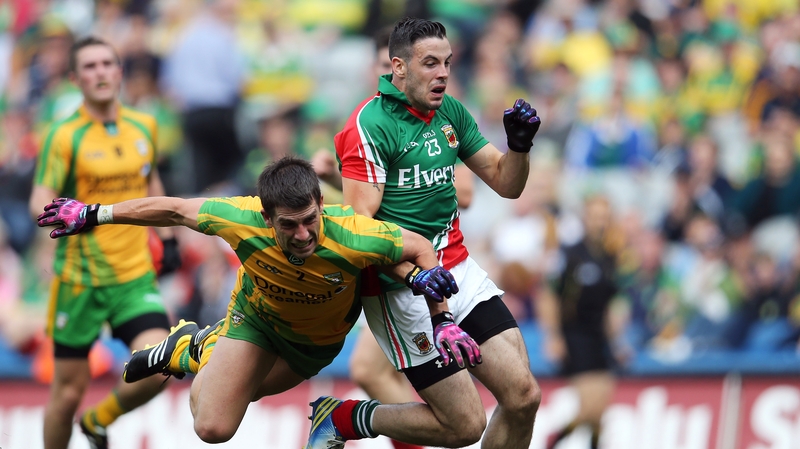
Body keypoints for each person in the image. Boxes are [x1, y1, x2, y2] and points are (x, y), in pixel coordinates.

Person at [36, 156, 476, 444]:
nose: (303, 235)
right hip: (257, 324)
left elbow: (420, 247)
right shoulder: (241, 218)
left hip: (314, 347)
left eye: (310, 220)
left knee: (207, 402)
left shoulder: (354, 232)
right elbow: (174, 210)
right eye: (289, 225)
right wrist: (94, 213)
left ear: (322, 204)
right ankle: (197, 347)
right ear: (266, 217)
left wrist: (442, 320)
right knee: (212, 428)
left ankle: (189, 349)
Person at [308, 16, 543, 449]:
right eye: (430, 63)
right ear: (398, 67)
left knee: (524, 397)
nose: (443, 74)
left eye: (448, 63)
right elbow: (364, 233)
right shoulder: (369, 125)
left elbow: (506, 183)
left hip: (457, 269)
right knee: (465, 426)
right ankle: (349, 416)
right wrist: (420, 280)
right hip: (401, 290)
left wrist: (519, 147)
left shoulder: (450, 111)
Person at [313, 25, 474, 449]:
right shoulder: (366, 124)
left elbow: (467, 192)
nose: (392, 75)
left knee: (371, 368)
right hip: (390, 267)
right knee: (371, 370)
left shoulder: (438, 118)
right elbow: (359, 214)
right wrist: (332, 179)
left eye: (444, 64)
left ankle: (396, 432)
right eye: (385, 67)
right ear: (383, 68)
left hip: (442, 262)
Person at [28, 36, 181, 449]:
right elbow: (39, 196)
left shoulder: (143, 125)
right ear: (76, 78)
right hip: (79, 281)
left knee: (163, 363)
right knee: (66, 395)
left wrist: (167, 237)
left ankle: (99, 420)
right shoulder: (64, 135)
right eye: (90, 66)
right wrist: (53, 213)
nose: (100, 72)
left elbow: (150, 180)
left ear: (119, 71)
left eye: (107, 64)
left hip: (133, 276)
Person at [537, 196, 625, 449]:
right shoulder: (569, 255)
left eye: (604, 217)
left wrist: (616, 343)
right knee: (589, 408)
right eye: (595, 216)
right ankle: (552, 443)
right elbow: (549, 295)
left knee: (599, 413)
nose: (600, 222)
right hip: (575, 335)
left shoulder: (609, 258)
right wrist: (553, 337)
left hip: (600, 338)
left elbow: (611, 305)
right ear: (585, 219)